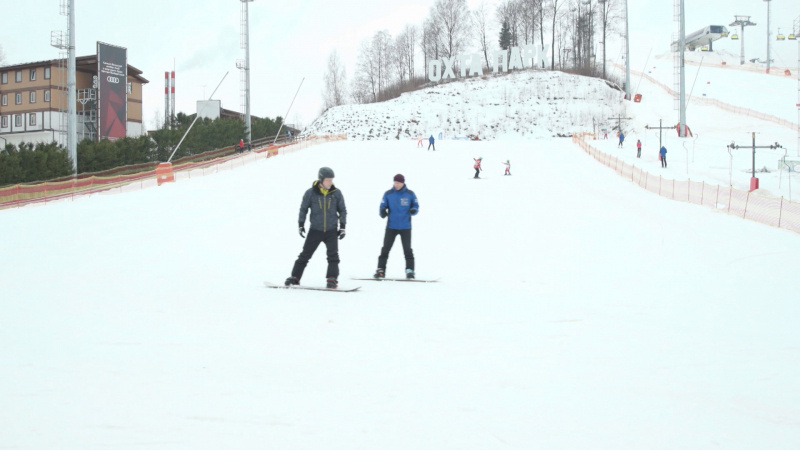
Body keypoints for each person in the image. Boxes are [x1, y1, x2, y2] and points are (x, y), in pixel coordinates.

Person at [285, 167, 347, 289]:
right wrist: (301, 224)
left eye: (331, 180)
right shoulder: (310, 193)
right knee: (305, 255)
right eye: (328, 180)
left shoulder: (336, 193)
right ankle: (295, 277)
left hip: (331, 230)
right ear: (321, 180)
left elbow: (343, 211)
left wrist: (343, 226)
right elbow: (303, 209)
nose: (330, 183)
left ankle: (332, 279)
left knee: (333, 256)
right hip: (315, 230)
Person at [374, 174, 419, 279]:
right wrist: (382, 212)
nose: (396, 185)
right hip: (391, 226)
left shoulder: (410, 194)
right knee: (385, 249)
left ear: (403, 183)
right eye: (395, 182)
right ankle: (381, 270)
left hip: (405, 227)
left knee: (407, 250)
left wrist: (414, 210)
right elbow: (382, 206)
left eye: (398, 183)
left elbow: (416, 206)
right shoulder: (388, 194)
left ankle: (410, 271)